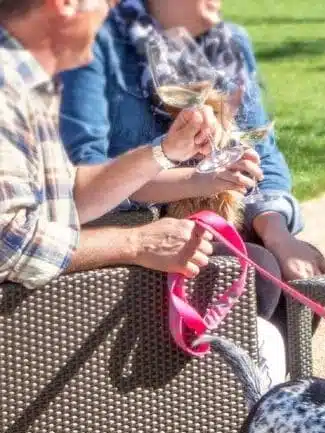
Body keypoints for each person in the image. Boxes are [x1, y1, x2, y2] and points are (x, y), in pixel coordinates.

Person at [59, 0, 325, 386]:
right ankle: (236, 409)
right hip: (134, 225)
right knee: (257, 272)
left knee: (300, 281)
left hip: (216, 214)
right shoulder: (98, 42)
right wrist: (199, 180)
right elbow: (84, 175)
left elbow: (263, 159)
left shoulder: (228, 43)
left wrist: (280, 236)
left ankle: (255, 406)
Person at [0, 0, 221, 290]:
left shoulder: (24, 82)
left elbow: (69, 195)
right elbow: (10, 244)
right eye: (107, 2)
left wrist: (165, 151)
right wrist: (136, 242)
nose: (111, 13)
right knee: (260, 330)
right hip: (26, 327)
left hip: (44, 311)